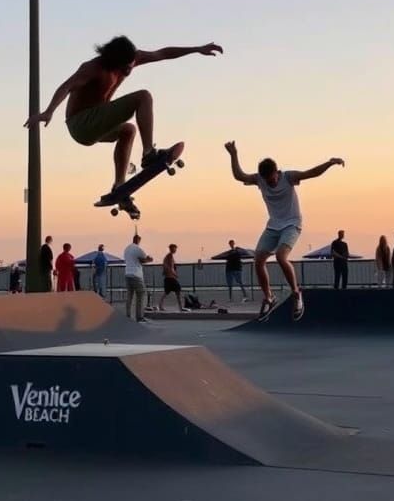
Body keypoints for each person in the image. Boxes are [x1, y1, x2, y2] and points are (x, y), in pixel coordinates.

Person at [26, 37, 223, 214]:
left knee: (128, 130)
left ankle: (119, 187)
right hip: (81, 123)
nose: (128, 70)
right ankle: (148, 154)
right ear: (113, 61)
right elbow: (66, 86)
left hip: (96, 126)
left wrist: (197, 48)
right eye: (124, 68)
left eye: (131, 66)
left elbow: (162, 53)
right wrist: (49, 111)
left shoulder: (132, 58)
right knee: (143, 97)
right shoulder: (92, 68)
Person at [225, 141, 345, 321]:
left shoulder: (288, 177)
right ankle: (269, 298)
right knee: (258, 260)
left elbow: (311, 173)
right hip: (273, 226)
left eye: (272, 178)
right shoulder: (260, 179)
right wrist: (233, 154)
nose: (270, 183)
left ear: (277, 172)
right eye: (267, 180)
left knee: (281, 256)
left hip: (292, 224)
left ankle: (296, 294)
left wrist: (330, 162)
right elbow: (239, 176)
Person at [123, 234, 151, 322]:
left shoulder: (127, 249)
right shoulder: (138, 249)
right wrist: (150, 259)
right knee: (141, 294)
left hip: (127, 273)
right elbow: (143, 260)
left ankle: (128, 315)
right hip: (136, 275)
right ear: (138, 240)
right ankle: (139, 317)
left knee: (129, 296)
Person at [157, 244, 188, 312]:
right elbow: (170, 267)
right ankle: (180, 307)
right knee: (178, 290)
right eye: (174, 248)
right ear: (171, 249)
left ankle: (160, 305)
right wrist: (175, 274)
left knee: (167, 292)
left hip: (168, 278)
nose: (175, 250)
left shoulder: (168, 256)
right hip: (171, 277)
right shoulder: (170, 256)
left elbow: (167, 266)